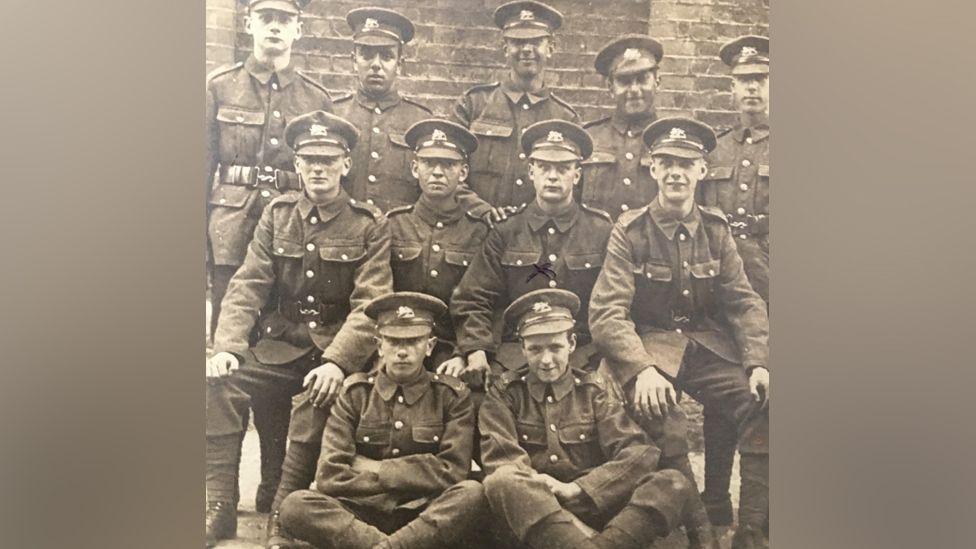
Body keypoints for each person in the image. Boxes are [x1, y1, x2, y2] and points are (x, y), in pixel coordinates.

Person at [205, 110, 392, 547]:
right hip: (278, 345)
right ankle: (219, 503)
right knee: (218, 383)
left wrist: (337, 362)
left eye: (328, 159)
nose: (318, 169)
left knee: (316, 397)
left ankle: (285, 511)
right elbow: (249, 283)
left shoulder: (368, 223)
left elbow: (370, 305)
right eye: (309, 160)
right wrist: (227, 346)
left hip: (328, 350)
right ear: (297, 165)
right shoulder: (278, 213)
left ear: (346, 164)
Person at [588, 116, 771, 549]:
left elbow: (743, 301)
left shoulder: (716, 229)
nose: (675, 172)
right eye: (666, 161)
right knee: (662, 416)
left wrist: (759, 362)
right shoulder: (629, 231)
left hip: (707, 347)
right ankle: (699, 532)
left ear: (702, 171)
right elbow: (607, 312)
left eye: (686, 163)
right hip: (653, 348)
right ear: (652, 168)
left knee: (762, 402)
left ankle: (750, 531)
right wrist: (640, 368)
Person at [205, 0, 332, 513]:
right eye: (265, 17)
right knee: (233, 354)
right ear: (249, 24)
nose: (275, 27)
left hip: (290, 239)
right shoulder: (220, 86)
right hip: (231, 232)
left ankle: (275, 480)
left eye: (284, 19)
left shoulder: (315, 97)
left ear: (298, 29)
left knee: (278, 348)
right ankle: (221, 492)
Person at [479, 289, 697, 549]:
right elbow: (504, 462)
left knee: (671, 482)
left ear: (571, 345)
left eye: (555, 347)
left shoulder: (594, 390)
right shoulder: (504, 394)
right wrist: (554, 505)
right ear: (522, 349)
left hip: (593, 501)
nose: (546, 360)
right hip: (536, 514)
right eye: (535, 349)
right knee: (502, 480)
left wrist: (579, 489)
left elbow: (638, 452)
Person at [278, 292, 486, 549]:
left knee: (471, 494)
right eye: (393, 341)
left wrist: (375, 468)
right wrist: (419, 472)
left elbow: (453, 472)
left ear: (430, 346)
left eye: (413, 341)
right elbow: (330, 475)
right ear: (378, 345)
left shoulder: (451, 396)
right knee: (296, 505)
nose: (402, 352)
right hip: (363, 514)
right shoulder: (355, 394)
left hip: (424, 512)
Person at [451, 120, 612, 386]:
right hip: (516, 355)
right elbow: (473, 297)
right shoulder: (507, 229)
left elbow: (613, 305)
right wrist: (476, 352)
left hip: (582, 356)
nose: (552, 176)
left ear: (577, 174)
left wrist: (608, 359)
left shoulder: (600, 230)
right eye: (544, 167)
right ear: (530, 171)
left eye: (562, 168)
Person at [695, 35, 771, 536]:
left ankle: (762, 512)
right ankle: (717, 497)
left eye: (761, 81)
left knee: (771, 394)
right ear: (731, 87)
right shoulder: (715, 147)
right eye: (744, 81)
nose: (752, 90)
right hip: (727, 289)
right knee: (728, 393)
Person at [334, 7, 498, 220]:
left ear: (400, 64)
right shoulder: (335, 115)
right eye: (366, 54)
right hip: (343, 240)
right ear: (353, 60)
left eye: (386, 56)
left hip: (401, 240)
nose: (376, 64)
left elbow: (442, 181)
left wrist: (483, 210)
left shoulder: (421, 121)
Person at [452, 0, 579, 208]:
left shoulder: (565, 118)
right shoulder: (473, 104)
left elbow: (573, 188)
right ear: (505, 48)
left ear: (551, 48)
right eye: (518, 42)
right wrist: (481, 211)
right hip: (477, 228)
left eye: (536, 42)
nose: (527, 49)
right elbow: (450, 171)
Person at [386, 118, 489, 375]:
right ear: (414, 167)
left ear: (463, 173)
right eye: (429, 163)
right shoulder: (392, 224)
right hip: (397, 344)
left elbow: (485, 302)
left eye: (448, 164)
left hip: (450, 350)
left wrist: (462, 353)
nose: (438, 172)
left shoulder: (479, 231)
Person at [581, 35, 665, 219]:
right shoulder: (589, 138)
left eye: (642, 79)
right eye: (624, 81)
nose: (634, 90)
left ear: (657, 82)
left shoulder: (668, 140)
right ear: (610, 87)